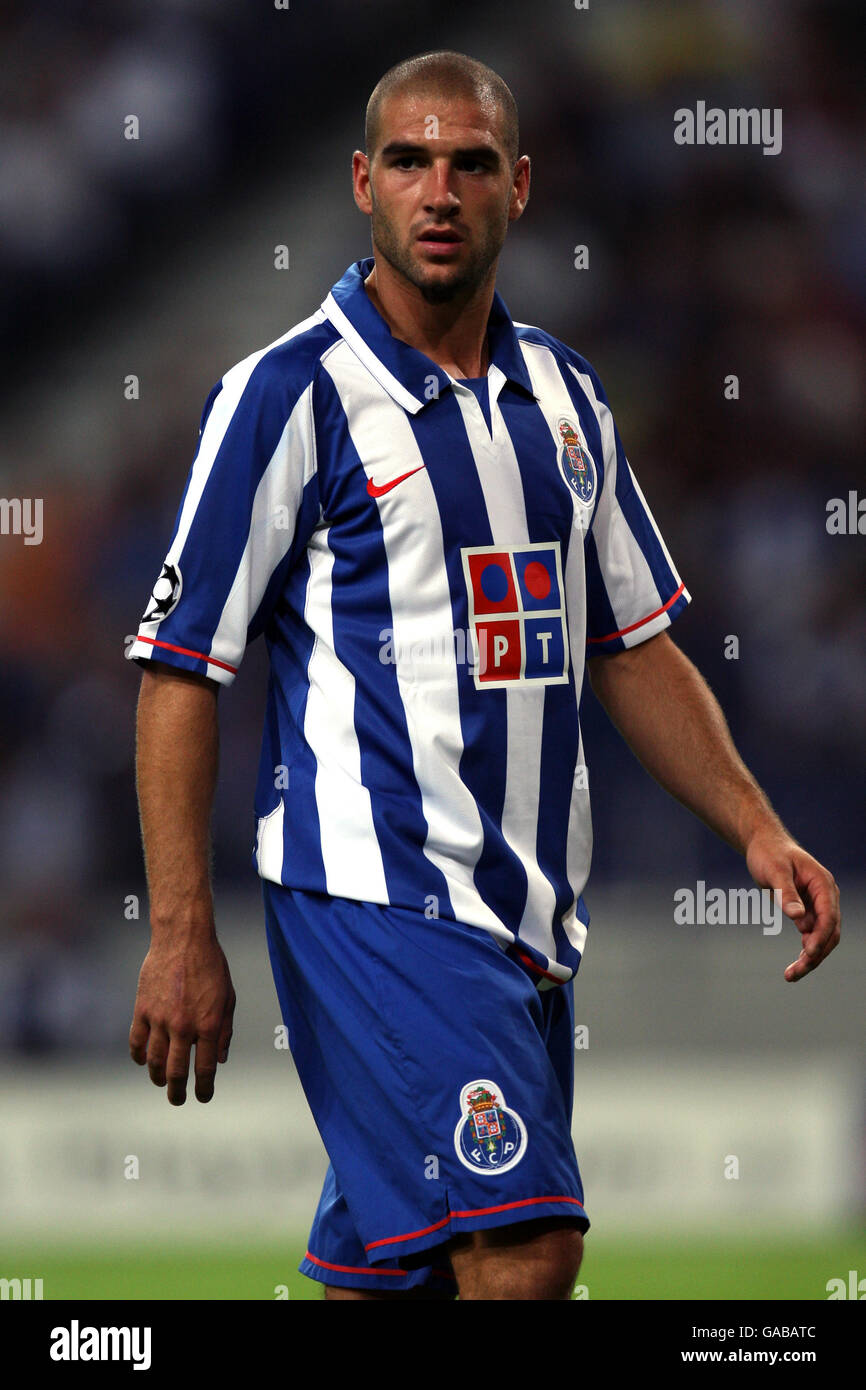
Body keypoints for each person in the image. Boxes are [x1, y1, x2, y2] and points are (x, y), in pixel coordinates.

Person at [126, 50, 841, 1301]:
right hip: (373, 897)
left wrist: (755, 825)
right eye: (407, 161)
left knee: (391, 1276)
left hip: (522, 920)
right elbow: (181, 671)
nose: (437, 190)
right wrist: (180, 926)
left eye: (467, 164)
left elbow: (631, 643)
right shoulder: (285, 396)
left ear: (519, 185)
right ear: (361, 182)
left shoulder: (564, 398)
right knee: (523, 1251)